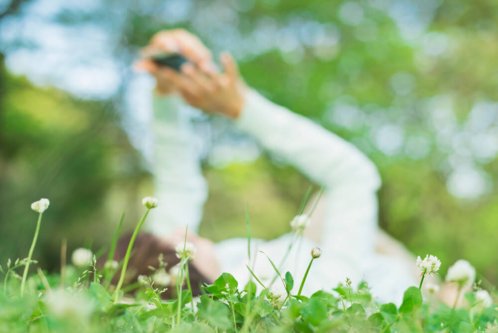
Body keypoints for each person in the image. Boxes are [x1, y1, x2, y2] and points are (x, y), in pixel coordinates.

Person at [130, 29, 418, 304]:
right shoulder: (300, 292)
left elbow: (176, 182)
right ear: (181, 282)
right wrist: (241, 107)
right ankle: (440, 291)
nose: (181, 235)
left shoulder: (171, 259)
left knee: (322, 211)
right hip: (387, 276)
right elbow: (353, 175)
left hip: (316, 245)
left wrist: (165, 90)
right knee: (331, 208)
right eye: (177, 249)